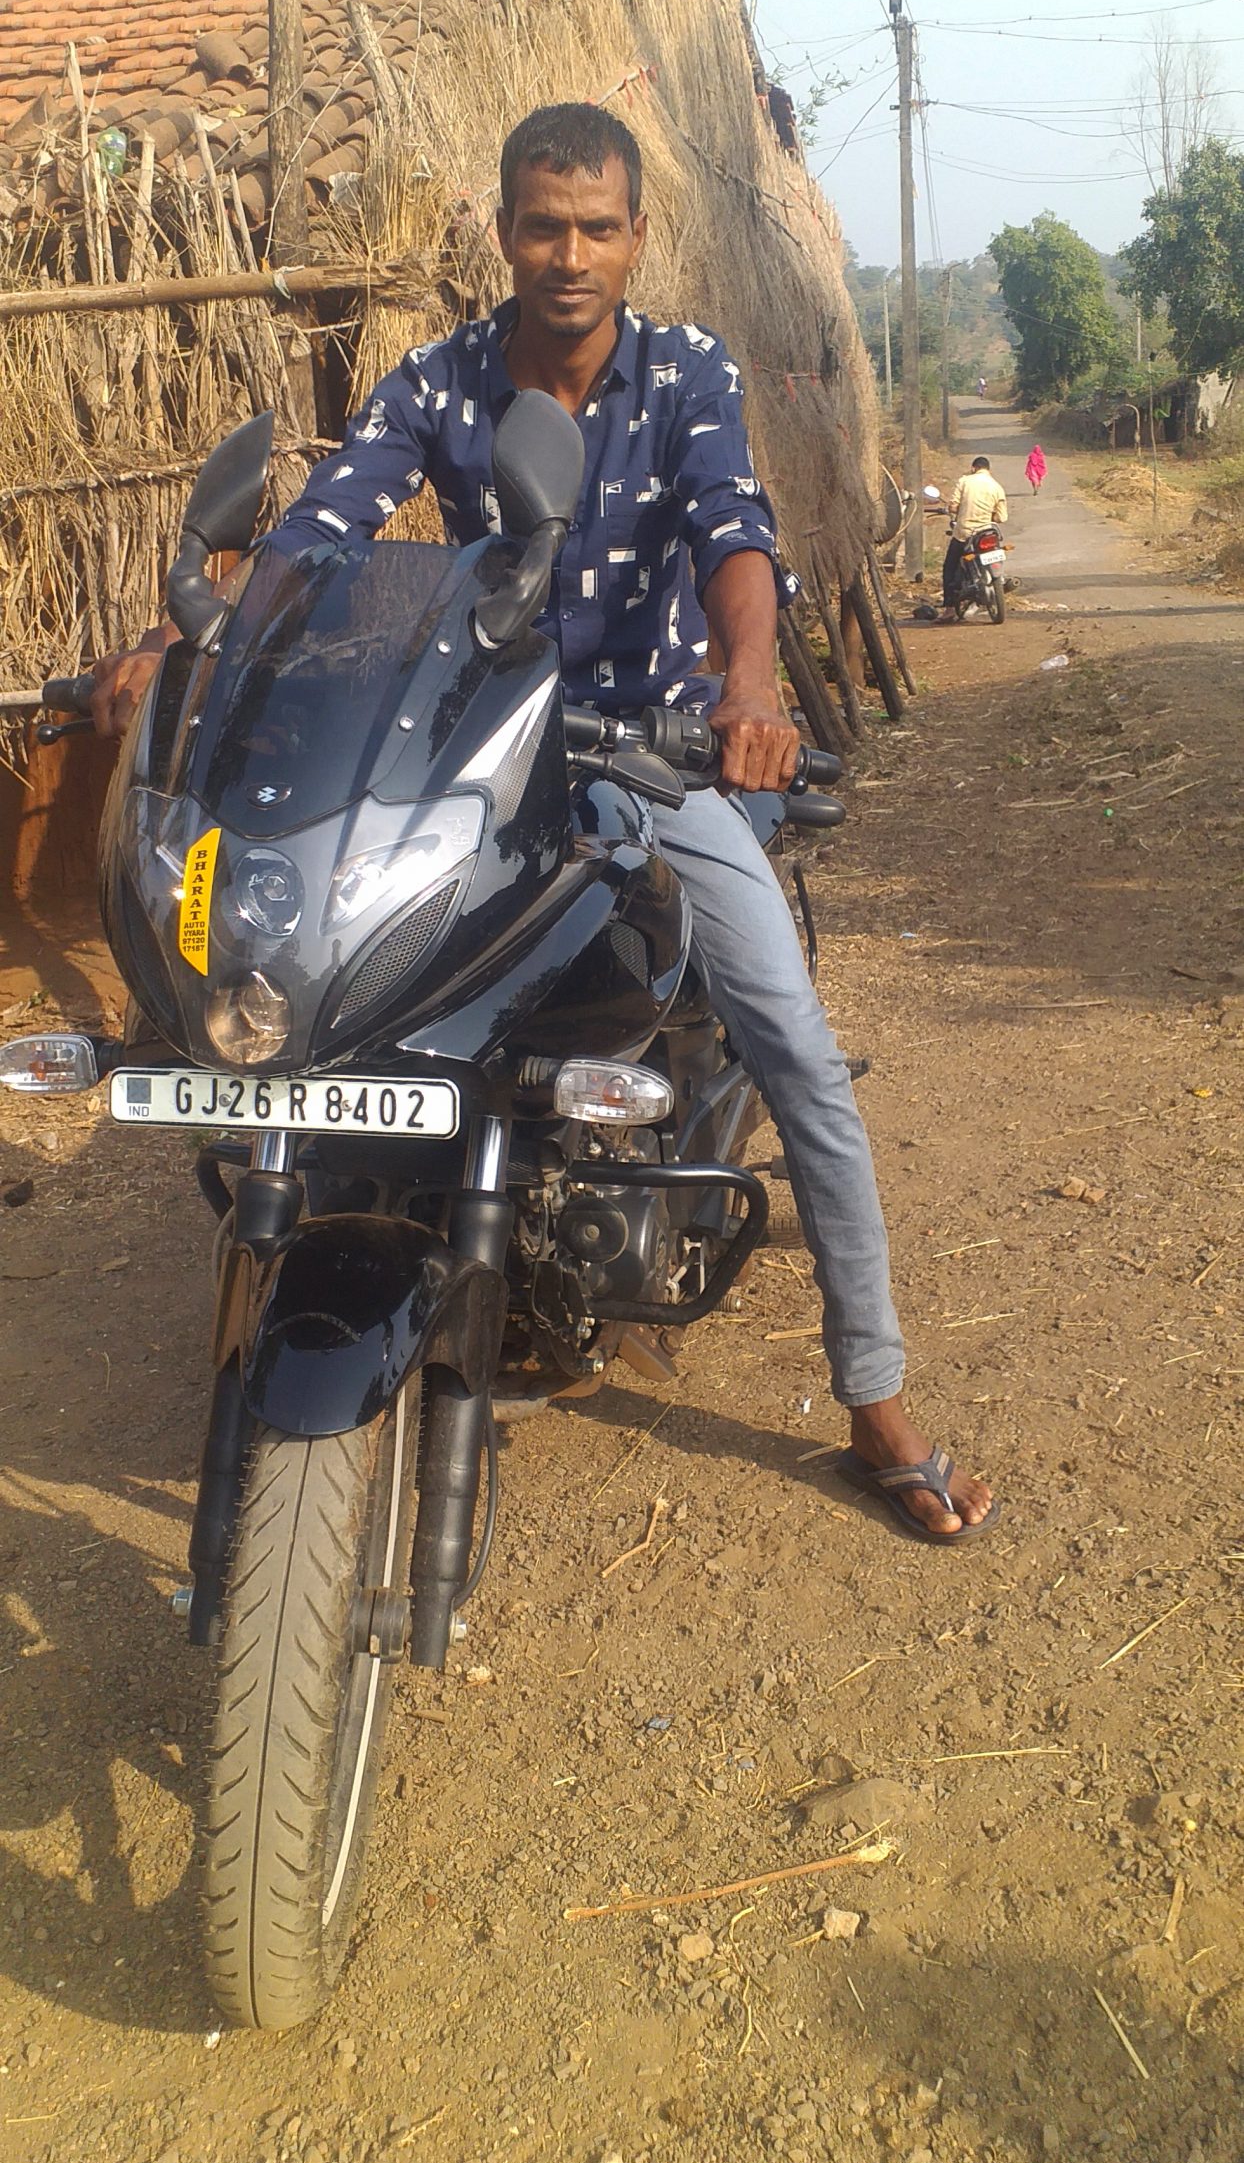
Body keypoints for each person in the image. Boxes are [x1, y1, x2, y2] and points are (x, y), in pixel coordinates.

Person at [90, 102, 994, 1544]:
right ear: (504, 232)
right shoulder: (440, 380)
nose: (568, 253)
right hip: (479, 755)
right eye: (541, 224)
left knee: (801, 1055)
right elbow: (325, 534)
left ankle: (874, 1394)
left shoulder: (683, 371)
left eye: (596, 226)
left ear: (635, 237)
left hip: (646, 753)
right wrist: (174, 638)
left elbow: (733, 533)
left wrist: (748, 688)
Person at [941, 452, 1008, 620]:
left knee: (949, 567)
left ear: (974, 468)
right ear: (989, 470)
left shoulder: (965, 481)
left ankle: (949, 609)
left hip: (965, 532)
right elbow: (1002, 517)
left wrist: (956, 509)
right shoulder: (996, 487)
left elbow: (954, 507)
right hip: (986, 532)